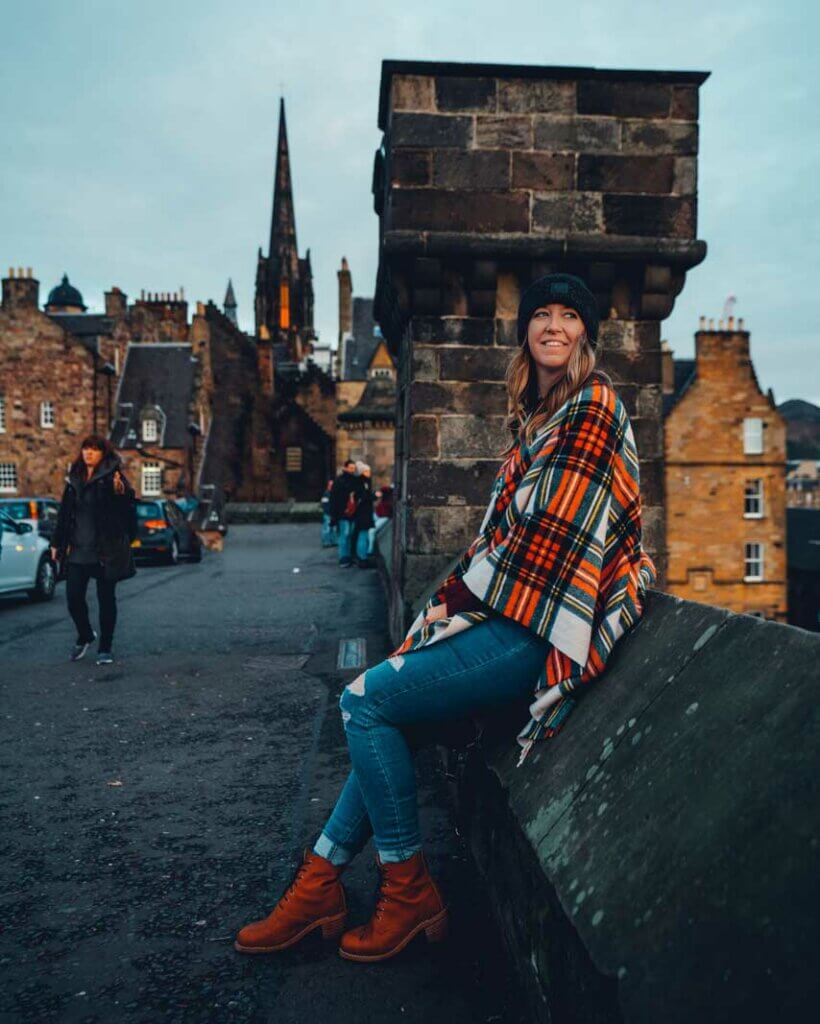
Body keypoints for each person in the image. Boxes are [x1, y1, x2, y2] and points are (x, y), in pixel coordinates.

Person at [235, 273, 656, 963]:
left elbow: (548, 542)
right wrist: (459, 600)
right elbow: (505, 541)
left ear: (586, 333)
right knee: (394, 715)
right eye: (540, 314)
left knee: (365, 702)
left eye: (569, 315)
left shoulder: (593, 406)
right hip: (516, 617)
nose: (553, 325)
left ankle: (406, 893)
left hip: (537, 630)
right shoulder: (543, 415)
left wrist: (460, 601)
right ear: (526, 331)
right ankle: (320, 884)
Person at [52, 435, 137, 665]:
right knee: (73, 599)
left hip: (105, 550)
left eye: (94, 450)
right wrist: (56, 543)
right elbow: (64, 514)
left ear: (103, 453)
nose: (88, 453)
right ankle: (86, 635)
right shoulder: (74, 479)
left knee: (106, 599)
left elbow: (128, 511)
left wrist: (121, 494)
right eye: (85, 449)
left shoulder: (114, 477)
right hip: (79, 550)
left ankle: (105, 648)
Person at [328, 459, 361, 568]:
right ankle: (344, 557)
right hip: (343, 513)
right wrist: (334, 514)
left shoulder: (355, 480)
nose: (352, 470)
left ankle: (348, 556)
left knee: (350, 534)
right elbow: (333, 499)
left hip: (353, 512)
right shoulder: (339, 481)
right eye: (350, 468)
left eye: (353, 468)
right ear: (346, 468)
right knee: (345, 534)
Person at [352, 462, 375, 568]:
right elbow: (364, 497)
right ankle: (362, 558)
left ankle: (362, 557)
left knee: (363, 535)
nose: (369, 473)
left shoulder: (361, 482)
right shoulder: (362, 482)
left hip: (363, 512)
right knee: (363, 535)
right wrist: (374, 495)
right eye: (366, 471)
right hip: (363, 513)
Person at [319, 479, 337, 548]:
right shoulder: (326, 494)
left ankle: (333, 541)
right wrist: (329, 512)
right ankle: (326, 542)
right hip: (328, 514)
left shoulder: (334, 493)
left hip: (332, 513)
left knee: (332, 528)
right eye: (330, 485)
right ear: (328, 486)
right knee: (327, 528)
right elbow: (324, 505)